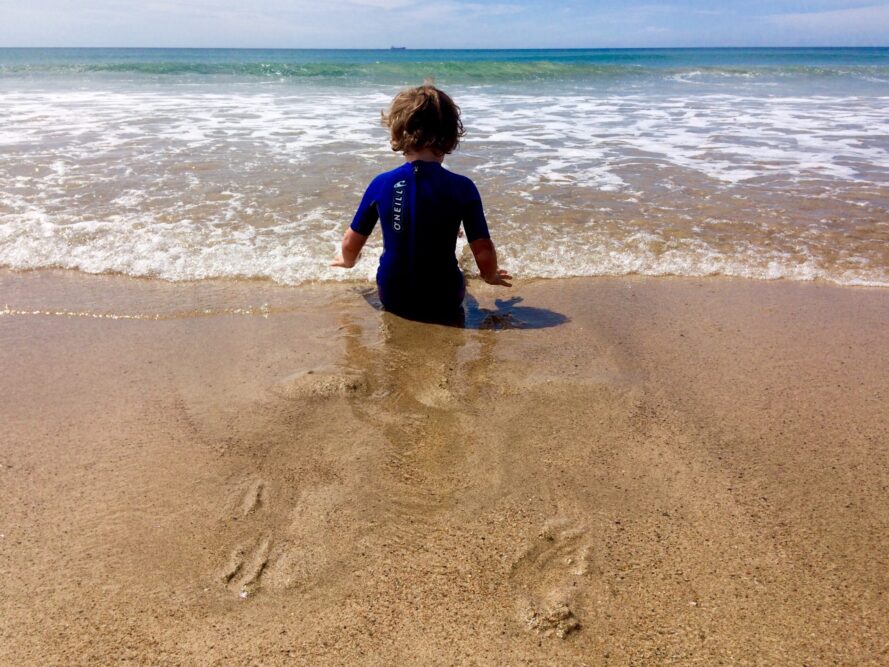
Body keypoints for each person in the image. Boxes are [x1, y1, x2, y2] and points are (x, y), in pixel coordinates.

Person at [331, 84, 512, 321]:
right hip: (446, 299)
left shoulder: (381, 183)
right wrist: (490, 276)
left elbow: (350, 242)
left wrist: (347, 261)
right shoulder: (463, 187)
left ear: (397, 132)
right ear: (450, 135)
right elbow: (483, 249)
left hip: (392, 297)